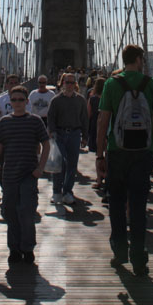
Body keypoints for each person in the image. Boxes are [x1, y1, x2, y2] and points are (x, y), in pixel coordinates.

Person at [96, 44, 153, 276]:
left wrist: (99, 155)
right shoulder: (152, 84)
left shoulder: (111, 84)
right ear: (138, 59)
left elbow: (103, 122)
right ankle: (139, 257)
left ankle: (119, 249)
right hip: (144, 153)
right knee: (137, 205)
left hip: (117, 151)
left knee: (116, 202)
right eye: (142, 59)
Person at [0, 84, 49, 266]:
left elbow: (46, 144)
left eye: (21, 100)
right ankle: (14, 249)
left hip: (29, 174)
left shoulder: (35, 121)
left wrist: (40, 168)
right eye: (14, 100)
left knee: (27, 213)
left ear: (27, 101)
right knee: (10, 213)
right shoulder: (4, 122)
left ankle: (27, 248)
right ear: (10, 102)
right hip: (9, 174)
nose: (17, 103)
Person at [46, 71, 89, 205]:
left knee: (72, 164)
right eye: (67, 82)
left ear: (75, 84)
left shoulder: (80, 100)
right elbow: (51, 118)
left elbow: (84, 119)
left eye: (72, 82)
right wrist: (52, 132)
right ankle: (56, 192)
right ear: (62, 83)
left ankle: (68, 192)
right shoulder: (56, 100)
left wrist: (85, 136)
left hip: (75, 134)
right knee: (60, 163)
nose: (69, 85)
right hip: (59, 134)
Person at [87, 76, 105, 152]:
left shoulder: (92, 99)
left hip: (94, 123)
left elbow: (88, 114)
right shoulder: (107, 98)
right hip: (105, 121)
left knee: (95, 146)